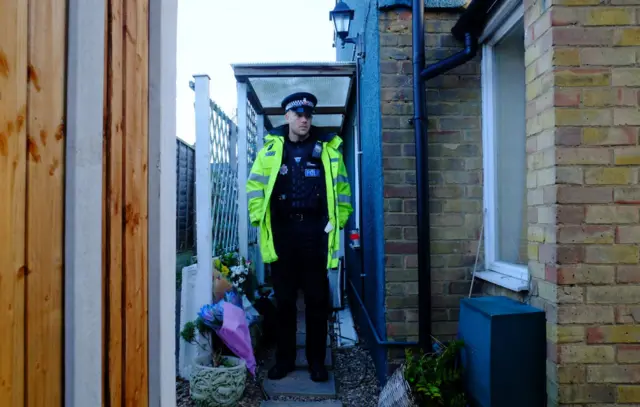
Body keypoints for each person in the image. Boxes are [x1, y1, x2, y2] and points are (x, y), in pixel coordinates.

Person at [246, 92, 353, 382]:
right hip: (282, 234)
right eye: (299, 115)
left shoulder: (328, 149)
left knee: (317, 301)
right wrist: (258, 217)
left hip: (314, 233)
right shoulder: (270, 150)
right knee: (284, 301)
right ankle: (285, 360)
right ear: (287, 117)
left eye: (308, 115)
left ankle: (317, 362)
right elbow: (254, 185)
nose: (304, 119)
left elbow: (342, 189)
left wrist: (339, 220)